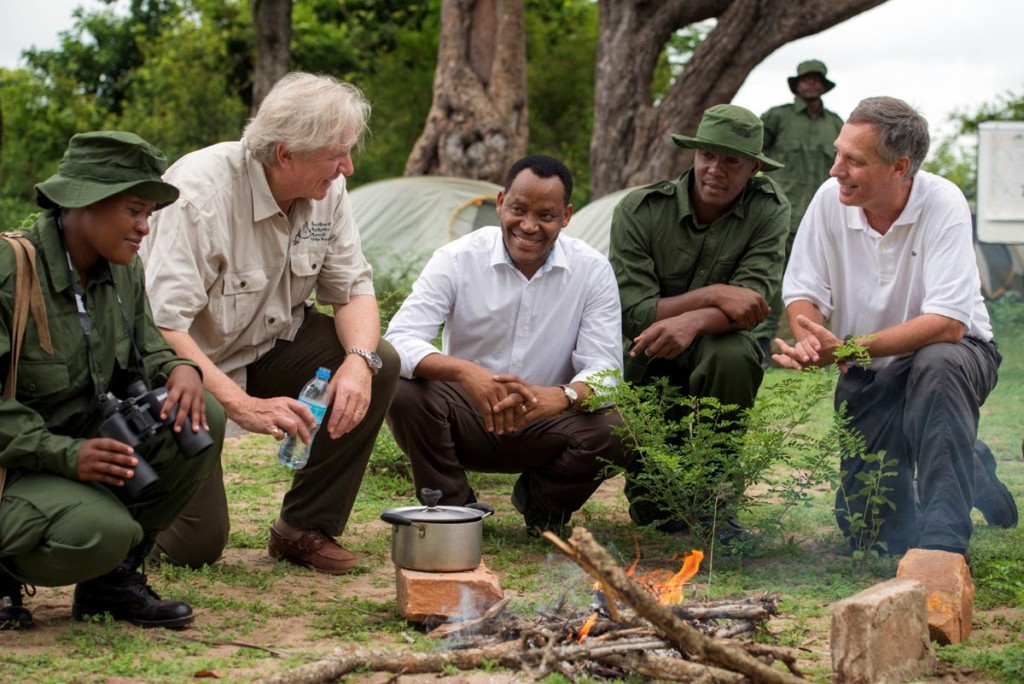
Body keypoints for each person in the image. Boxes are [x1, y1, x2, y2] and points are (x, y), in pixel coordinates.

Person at [140, 72, 400, 575]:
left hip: (267, 345)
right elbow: (163, 330)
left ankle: (304, 527)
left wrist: (357, 362)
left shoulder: (329, 188)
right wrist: (242, 406)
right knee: (197, 545)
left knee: (380, 360)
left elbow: (353, 291)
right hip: (182, 370)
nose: (347, 165)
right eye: (336, 153)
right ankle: (130, 506)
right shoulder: (200, 195)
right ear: (285, 154)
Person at [0, 131, 225, 630]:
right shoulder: (9, 272)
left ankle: (111, 586)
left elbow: (149, 351)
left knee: (200, 415)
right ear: (84, 203)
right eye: (133, 211)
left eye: (149, 214)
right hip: (13, 466)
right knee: (101, 531)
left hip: (81, 449)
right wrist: (67, 455)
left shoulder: (122, 272)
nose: (145, 227)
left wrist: (182, 370)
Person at [774, 96, 1011, 558]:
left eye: (853, 161)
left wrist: (844, 351)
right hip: (869, 369)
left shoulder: (943, 202)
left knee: (937, 367)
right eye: (838, 153)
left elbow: (947, 324)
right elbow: (804, 291)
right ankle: (971, 463)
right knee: (873, 533)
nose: (834, 170)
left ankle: (945, 545)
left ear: (900, 166)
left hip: (957, 358)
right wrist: (810, 340)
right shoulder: (830, 201)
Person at [383, 155, 634, 536]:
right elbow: (397, 342)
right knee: (401, 390)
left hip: (545, 421)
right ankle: (454, 510)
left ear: (566, 217)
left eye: (546, 216)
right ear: (500, 203)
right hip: (467, 415)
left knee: (619, 427)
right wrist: (467, 373)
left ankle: (542, 506)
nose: (529, 226)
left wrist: (562, 396)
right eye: (518, 209)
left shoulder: (592, 270)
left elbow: (608, 371)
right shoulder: (456, 258)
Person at [608, 104, 790, 537]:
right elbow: (633, 312)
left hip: (717, 347)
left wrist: (689, 322)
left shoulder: (769, 210)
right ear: (693, 155)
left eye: (732, 160)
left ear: (754, 168)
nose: (715, 169)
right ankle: (655, 489)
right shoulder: (640, 209)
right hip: (646, 352)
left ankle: (717, 499)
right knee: (659, 513)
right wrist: (712, 295)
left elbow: (753, 305)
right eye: (707, 154)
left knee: (730, 356)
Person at [753, 60, 845, 364]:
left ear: (823, 85)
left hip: (822, 217)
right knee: (773, 277)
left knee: (824, 280)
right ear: (797, 85)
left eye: (816, 79)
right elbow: (752, 156)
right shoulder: (777, 117)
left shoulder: (835, 123)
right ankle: (762, 345)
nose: (810, 84)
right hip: (782, 214)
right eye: (805, 79)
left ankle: (817, 348)